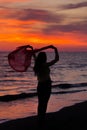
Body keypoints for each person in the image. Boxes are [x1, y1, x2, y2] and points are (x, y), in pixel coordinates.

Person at [32, 45, 59, 126]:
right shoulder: (44, 65)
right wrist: (55, 49)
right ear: (44, 58)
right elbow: (56, 59)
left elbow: (34, 55)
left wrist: (31, 49)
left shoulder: (37, 64)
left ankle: (40, 118)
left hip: (40, 85)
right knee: (45, 102)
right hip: (46, 85)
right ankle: (42, 119)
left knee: (40, 103)